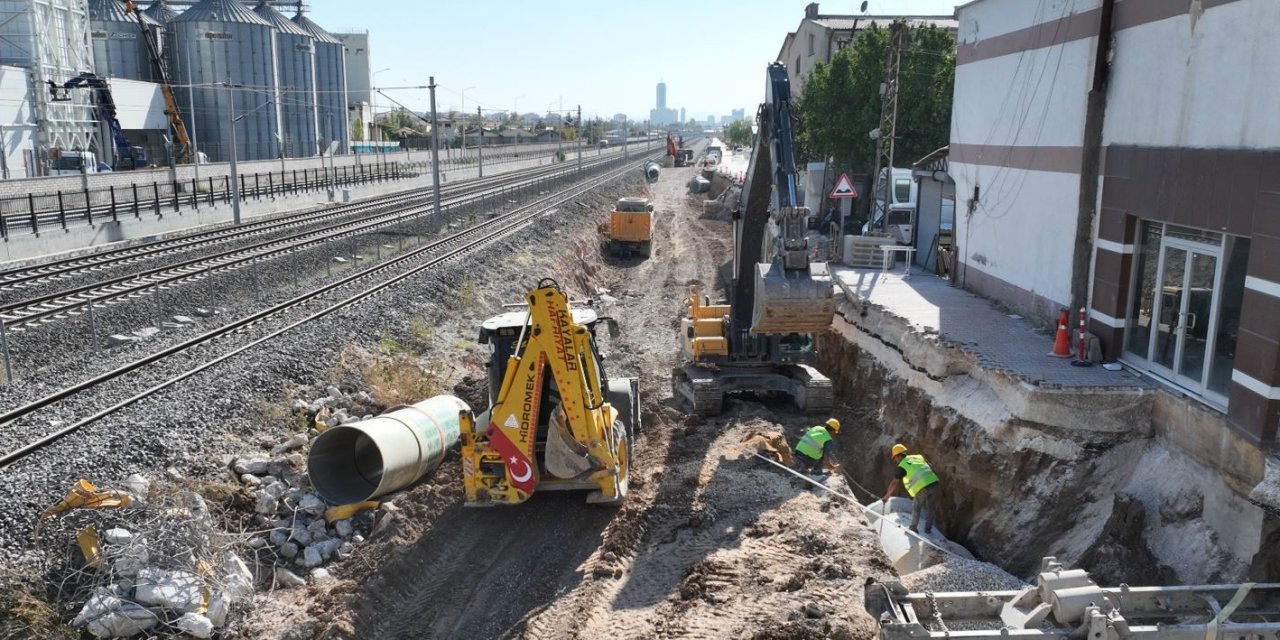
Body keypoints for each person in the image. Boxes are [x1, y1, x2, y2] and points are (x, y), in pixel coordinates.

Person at [882, 443, 940, 534]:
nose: (895, 460)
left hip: (923, 487)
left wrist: (886, 496)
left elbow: (894, 482)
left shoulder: (902, 466)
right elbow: (928, 466)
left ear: (899, 456)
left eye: (895, 458)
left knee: (916, 506)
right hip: (935, 483)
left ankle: (912, 529)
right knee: (931, 507)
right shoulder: (918, 457)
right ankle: (928, 529)